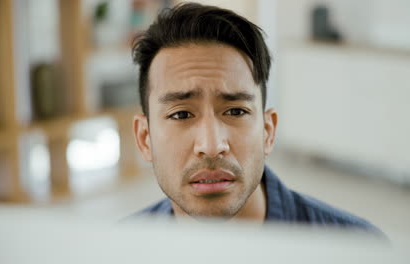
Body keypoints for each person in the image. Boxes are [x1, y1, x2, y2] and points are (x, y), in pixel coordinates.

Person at [128, 2, 380, 232]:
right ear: (144, 138)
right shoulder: (118, 251)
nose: (212, 146)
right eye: (181, 114)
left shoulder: (359, 249)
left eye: (236, 111)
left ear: (268, 132)